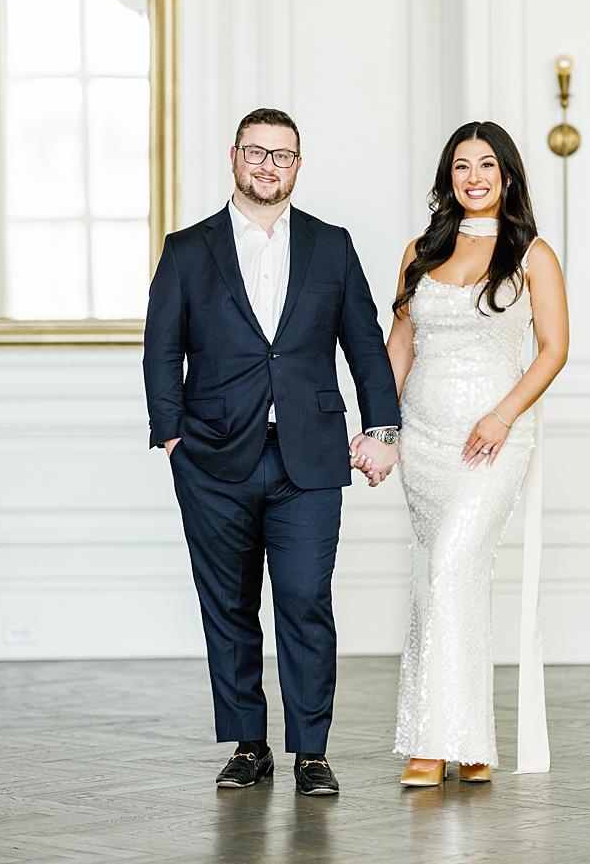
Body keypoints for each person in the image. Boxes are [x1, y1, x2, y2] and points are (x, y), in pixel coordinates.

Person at [143, 107, 402, 795]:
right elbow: (162, 347)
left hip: (308, 457)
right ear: (235, 157)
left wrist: (383, 428)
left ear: (297, 165)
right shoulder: (187, 249)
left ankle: (311, 751)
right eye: (256, 152)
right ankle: (249, 745)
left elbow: (366, 344)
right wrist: (171, 435)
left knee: (305, 598)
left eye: (281, 155)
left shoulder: (331, 245)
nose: (268, 165)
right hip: (211, 457)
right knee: (229, 604)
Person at [364, 121, 568, 787]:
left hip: (492, 439)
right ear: (447, 178)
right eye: (461, 166)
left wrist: (503, 415)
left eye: (486, 165)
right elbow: (399, 345)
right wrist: (381, 429)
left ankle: (434, 742)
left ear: (507, 176)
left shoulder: (532, 254)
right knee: (442, 578)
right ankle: (471, 742)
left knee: (452, 568)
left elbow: (554, 349)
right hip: (424, 438)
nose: (473, 177)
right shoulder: (420, 250)